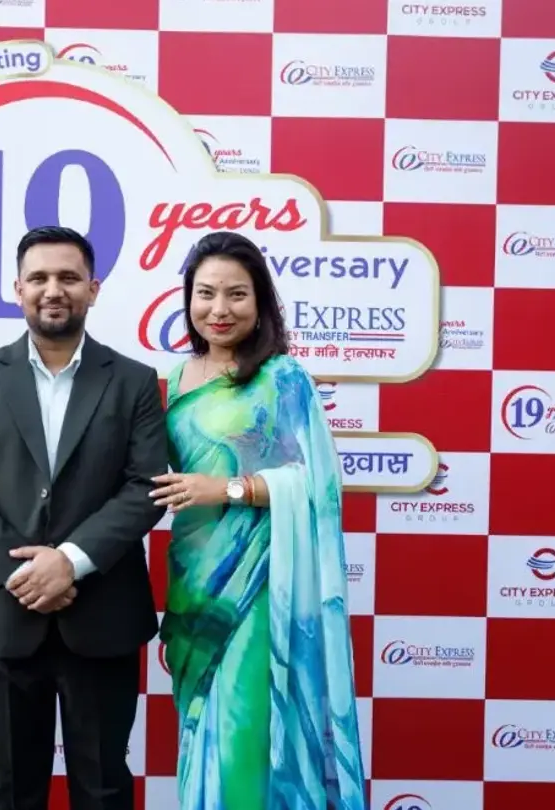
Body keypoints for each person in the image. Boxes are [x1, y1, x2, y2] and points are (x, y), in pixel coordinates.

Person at [0, 225, 168, 810]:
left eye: (68, 277)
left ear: (93, 288)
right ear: (17, 289)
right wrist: (30, 573)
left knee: (104, 789)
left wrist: (69, 561)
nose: (53, 290)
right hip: (4, 616)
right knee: (10, 792)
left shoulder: (135, 381)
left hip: (103, 616)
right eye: (38, 278)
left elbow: (145, 487)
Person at [148, 231, 366, 810]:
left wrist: (227, 489)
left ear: (260, 300)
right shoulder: (173, 379)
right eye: (206, 293)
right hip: (194, 583)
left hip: (262, 584)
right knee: (201, 733)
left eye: (236, 294)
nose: (219, 309)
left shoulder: (283, 377)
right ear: (188, 299)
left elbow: (317, 484)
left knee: (242, 735)